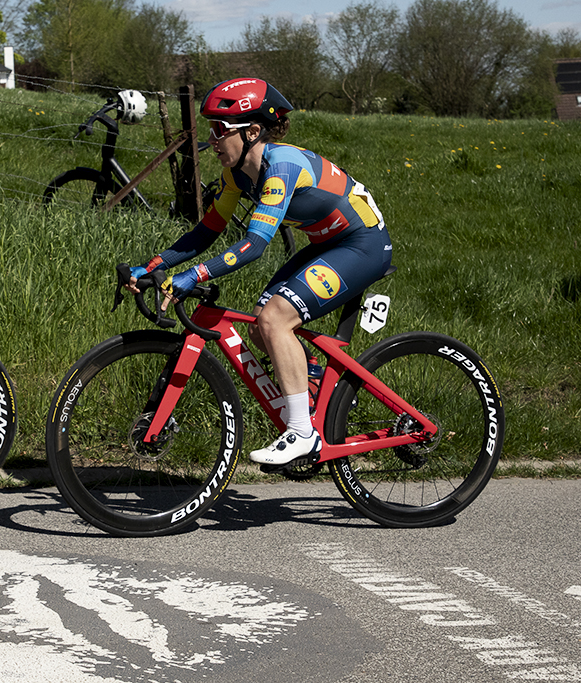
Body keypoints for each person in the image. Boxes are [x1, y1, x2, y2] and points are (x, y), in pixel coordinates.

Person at [129, 78, 393, 467]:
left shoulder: (280, 167)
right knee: (260, 326)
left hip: (363, 244)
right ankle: (314, 387)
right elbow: (207, 231)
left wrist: (196, 275)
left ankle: (302, 432)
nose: (213, 140)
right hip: (328, 243)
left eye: (221, 130)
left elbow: (255, 245)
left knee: (274, 320)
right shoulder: (237, 174)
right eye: (210, 130)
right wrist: (155, 264)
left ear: (253, 131)